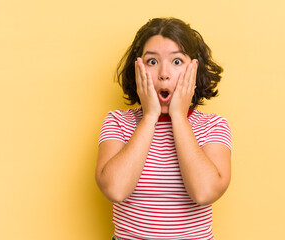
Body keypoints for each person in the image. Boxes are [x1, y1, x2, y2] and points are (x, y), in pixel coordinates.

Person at [96, 17, 232, 240]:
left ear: (193, 69)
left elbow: (204, 192)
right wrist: (150, 116)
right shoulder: (117, 122)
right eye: (152, 62)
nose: (164, 74)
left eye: (177, 62)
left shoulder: (213, 126)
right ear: (138, 68)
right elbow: (115, 190)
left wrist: (179, 116)